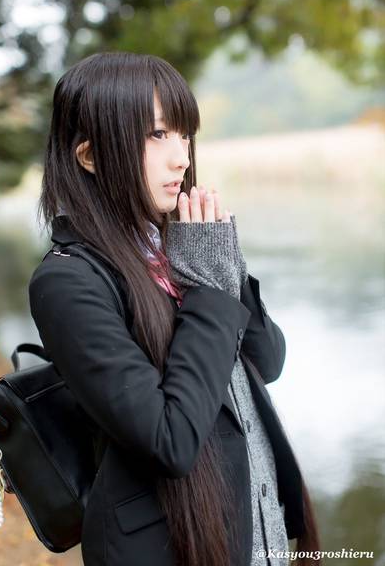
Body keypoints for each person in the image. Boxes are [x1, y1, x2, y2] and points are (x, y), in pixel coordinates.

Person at [28, 51, 321, 566]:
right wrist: (207, 285)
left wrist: (221, 258)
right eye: (157, 134)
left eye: (184, 135)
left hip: (257, 527)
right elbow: (171, 440)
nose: (181, 158)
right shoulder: (68, 282)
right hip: (172, 547)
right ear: (90, 156)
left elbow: (267, 360)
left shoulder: (181, 246)